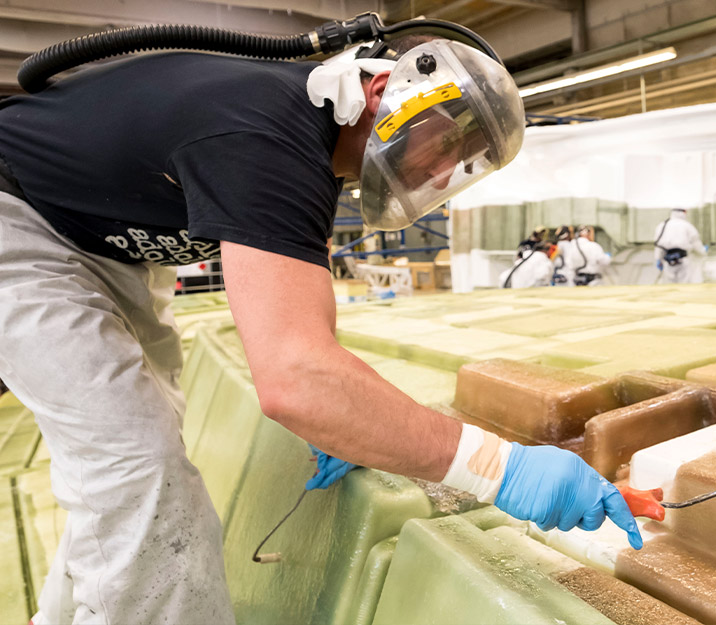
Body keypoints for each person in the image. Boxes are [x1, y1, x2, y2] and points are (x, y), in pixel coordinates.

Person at [0, 36, 641, 625]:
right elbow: (296, 378)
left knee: (125, 465)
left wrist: (351, 417)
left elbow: (312, 341)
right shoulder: (266, 134)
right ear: (389, 93)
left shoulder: (300, 148)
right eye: (446, 143)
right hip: (19, 219)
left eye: (461, 163)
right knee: (137, 461)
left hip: (104, 245)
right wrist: (503, 470)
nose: (443, 173)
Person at [653, 208, 705, 284]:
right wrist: (703, 251)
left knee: (669, 285)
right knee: (684, 284)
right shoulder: (687, 225)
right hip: (683, 259)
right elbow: (695, 242)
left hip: (668, 261)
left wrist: (658, 259)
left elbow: (658, 245)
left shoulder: (662, 225)